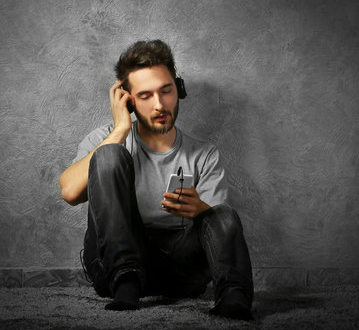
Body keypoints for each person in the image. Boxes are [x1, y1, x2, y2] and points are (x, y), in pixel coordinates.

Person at [59, 40, 254, 320]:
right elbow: (69, 192)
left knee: (222, 214)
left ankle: (234, 296)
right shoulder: (104, 139)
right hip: (112, 270)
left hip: (180, 273)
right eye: (146, 96)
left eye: (166, 91)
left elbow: (220, 230)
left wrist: (200, 210)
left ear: (180, 89)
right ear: (127, 100)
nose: (160, 104)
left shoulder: (204, 154)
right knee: (108, 156)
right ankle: (126, 281)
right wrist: (120, 130)